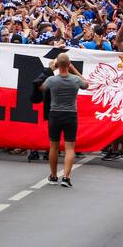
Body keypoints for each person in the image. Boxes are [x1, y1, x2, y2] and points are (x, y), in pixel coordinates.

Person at [41, 52, 89, 187]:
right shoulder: (75, 80)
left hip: (55, 114)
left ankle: (53, 175)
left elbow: (41, 87)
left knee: (54, 146)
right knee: (69, 148)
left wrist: (51, 69)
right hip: (70, 115)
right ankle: (66, 177)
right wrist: (73, 68)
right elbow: (86, 84)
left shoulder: (51, 80)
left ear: (57, 65)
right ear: (68, 64)